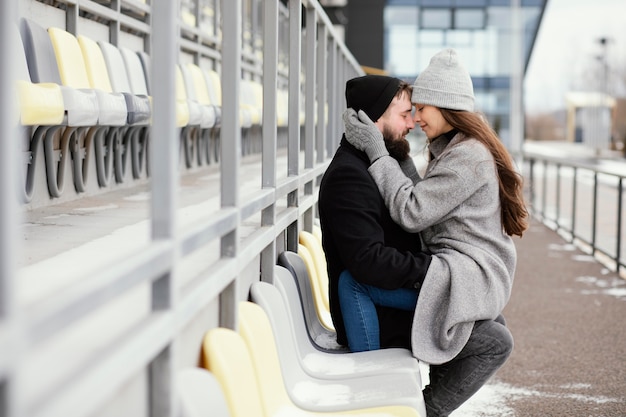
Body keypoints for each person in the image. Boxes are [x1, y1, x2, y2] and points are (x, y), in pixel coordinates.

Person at [341, 48, 529, 417]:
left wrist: (378, 151)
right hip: (465, 270)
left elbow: (413, 212)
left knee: (493, 340)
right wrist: (399, 155)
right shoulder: (456, 150)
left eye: (422, 108)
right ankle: (412, 405)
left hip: (470, 273)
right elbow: (426, 199)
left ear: (444, 107)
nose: (416, 118)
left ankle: (420, 410)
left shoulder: (467, 156)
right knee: (483, 335)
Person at [318, 74, 432, 350]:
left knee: (483, 322)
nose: (411, 123)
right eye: (405, 114)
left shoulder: (379, 163)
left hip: (388, 310)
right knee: (484, 332)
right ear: (374, 119)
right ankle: (432, 395)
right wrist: (434, 270)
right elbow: (368, 261)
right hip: (377, 323)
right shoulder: (349, 175)